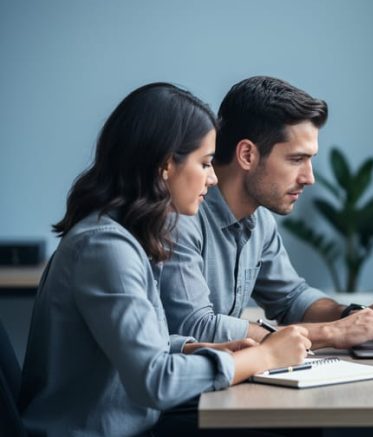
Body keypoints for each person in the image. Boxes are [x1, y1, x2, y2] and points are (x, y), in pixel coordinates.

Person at [19, 83, 311, 437]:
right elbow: (155, 381)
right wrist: (263, 357)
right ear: (165, 166)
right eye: (204, 163)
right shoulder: (105, 248)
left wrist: (199, 347)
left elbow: (146, 346)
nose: (214, 177)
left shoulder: (124, 239)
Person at [159, 76, 373, 349]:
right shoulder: (181, 216)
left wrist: (352, 316)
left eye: (310, 160)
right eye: (297, 159)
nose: (309, 178)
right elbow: (195, 326)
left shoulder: (258, 220)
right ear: (247, 155)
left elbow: (292, 298)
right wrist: (331, 334)